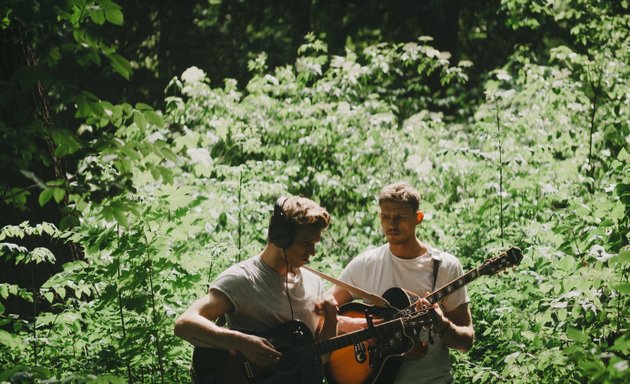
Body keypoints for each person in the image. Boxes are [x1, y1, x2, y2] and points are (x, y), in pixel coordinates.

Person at [174, 195, 338, 381]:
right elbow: (184, 325)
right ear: (280, 238)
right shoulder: (243, 279)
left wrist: (332, 319)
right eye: (306, 243)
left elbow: (318, 359)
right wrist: (241, 342)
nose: (313, 252)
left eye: (315, 244)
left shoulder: (313, 282)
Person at [329, 181, 474, 384]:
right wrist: (362, 327)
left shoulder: (445, 267)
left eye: (399, 217)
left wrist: (443, 325)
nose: (392, 224)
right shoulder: (366, 264)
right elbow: (321, 310)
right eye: (385, 217)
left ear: (418, 218)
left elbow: (466, 341)